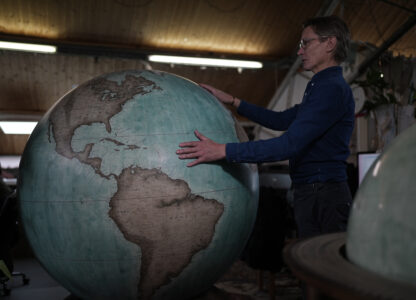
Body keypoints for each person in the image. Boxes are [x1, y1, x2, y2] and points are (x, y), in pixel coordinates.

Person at [176, 15, 355, 239]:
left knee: (324, 270)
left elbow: (288, 145)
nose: (300, 51)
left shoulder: (330, 89)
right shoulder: (322, 86)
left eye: (306, 43)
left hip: (323, 194)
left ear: (330, 43)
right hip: (315, 190)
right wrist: (233, 101)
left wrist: (223, 150)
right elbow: (279, 120)